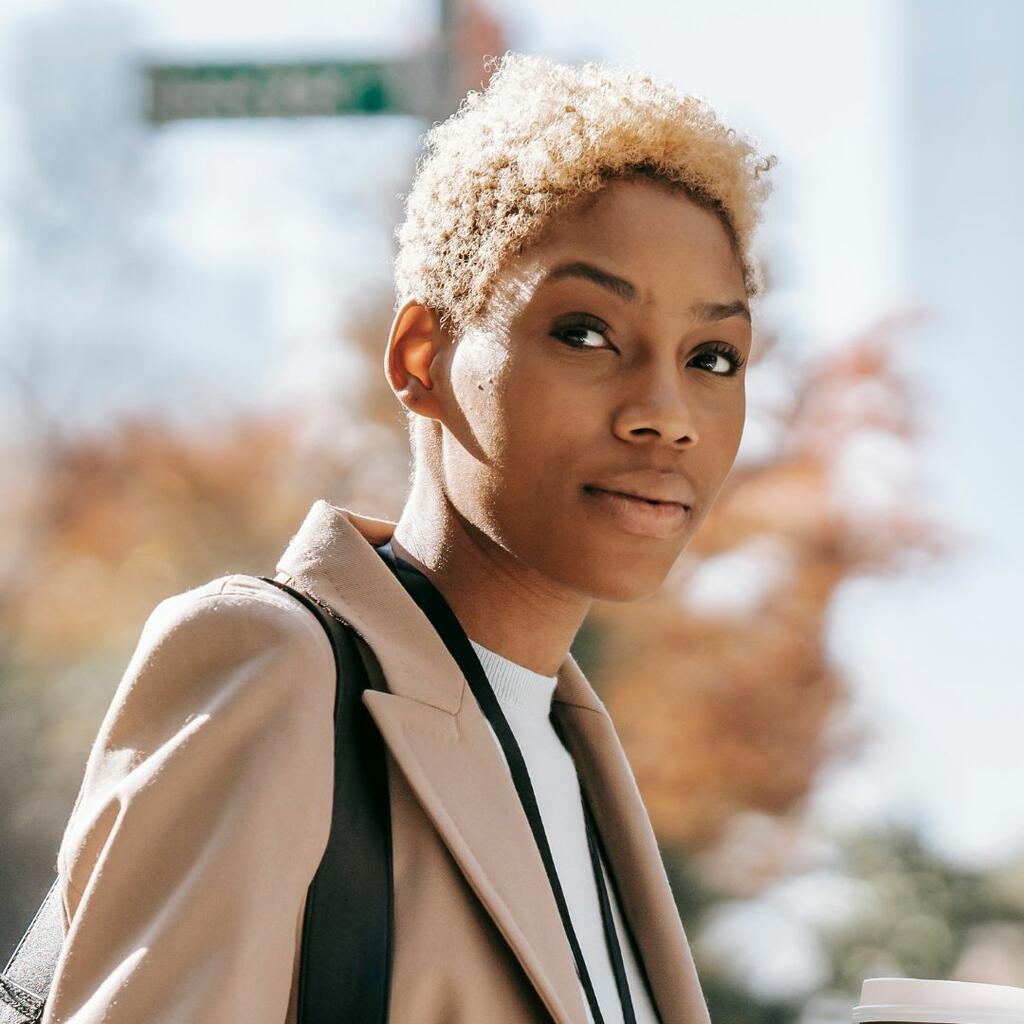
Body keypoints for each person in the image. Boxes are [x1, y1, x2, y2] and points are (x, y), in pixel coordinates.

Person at [41, 51, 776, 1024]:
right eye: (587, 331)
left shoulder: (575, 757)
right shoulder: (278, 668)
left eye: (711, 355)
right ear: (421, 357)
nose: (666, 413)